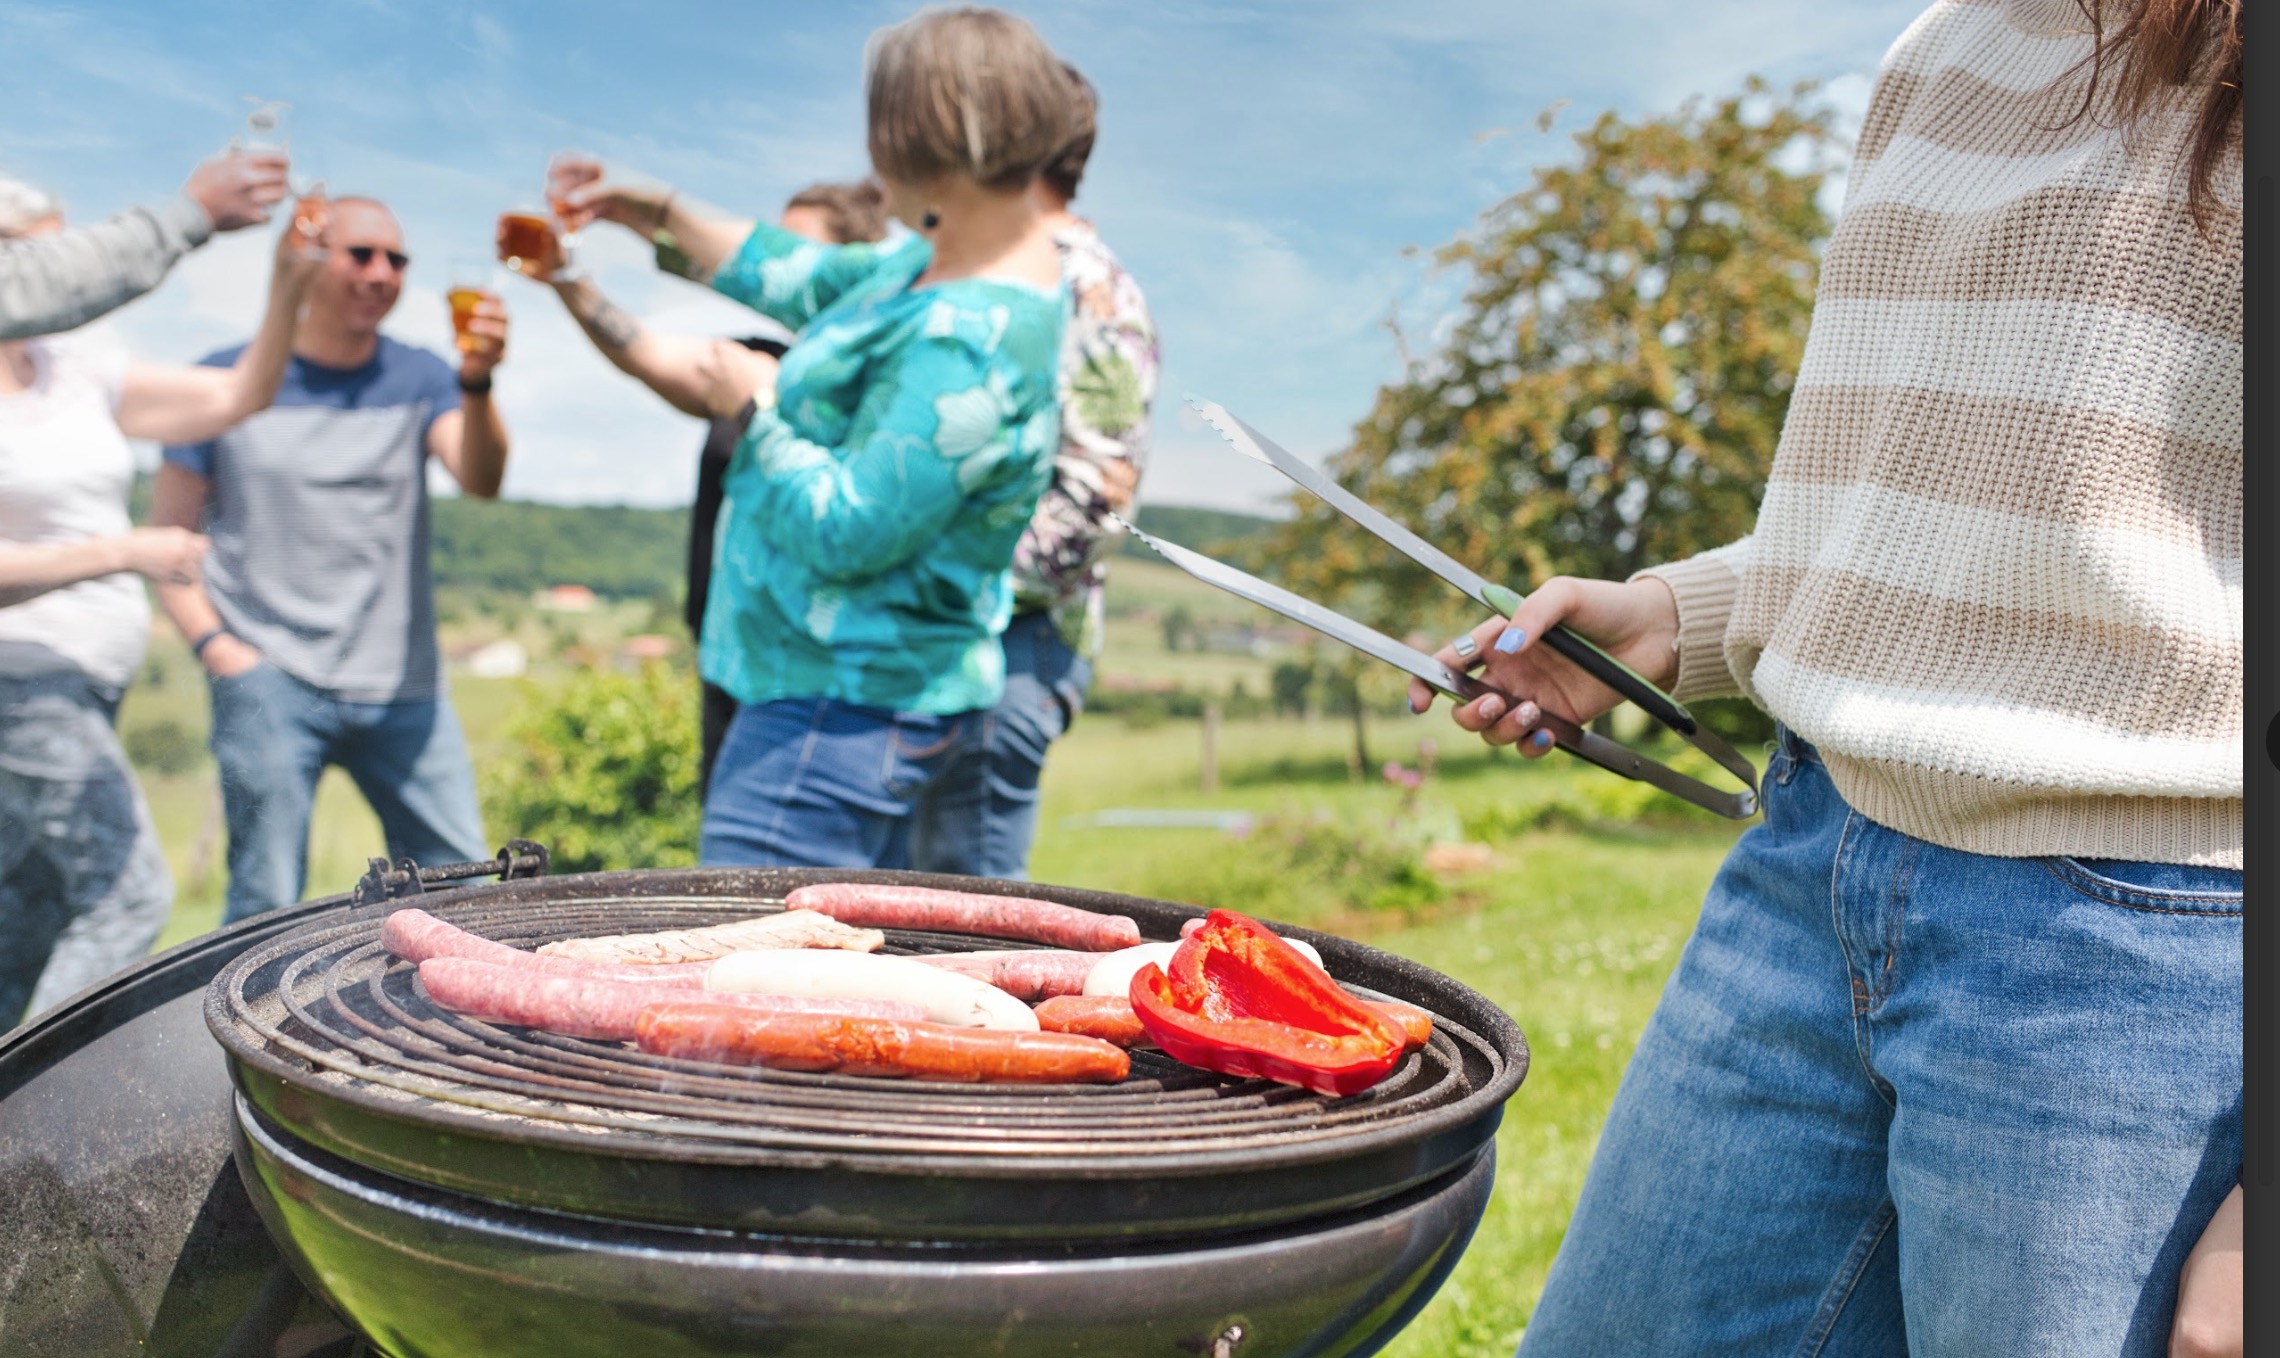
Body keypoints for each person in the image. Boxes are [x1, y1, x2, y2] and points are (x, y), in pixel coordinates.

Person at [1409, 2, 2243, 1354]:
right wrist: (1677, 620)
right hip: (1806, 879)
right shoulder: (1945, 44)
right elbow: (1902, 481)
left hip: (2148, 954)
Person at [551, 5, 1078, 868]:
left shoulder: (970, 337)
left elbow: (851, 529)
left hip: (836, 716)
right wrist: (656, 208)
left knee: (752, 980)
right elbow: (802, 272)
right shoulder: (936, 261)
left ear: (921, 148)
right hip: (828, 705)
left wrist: (755, 408)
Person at [0, 182, 315, 1024]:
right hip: (20, 680)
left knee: (25, 919)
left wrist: (286, 284)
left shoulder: (70, 367)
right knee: (129, 895)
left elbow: (237, 395)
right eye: (47, 252)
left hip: (83, 682)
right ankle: (38, 1123)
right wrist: (128, 553)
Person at [151, 196, 514, 924]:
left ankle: (450, 1037)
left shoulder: (422, 377)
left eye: (397, 259)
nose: (382, 273)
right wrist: (219, 650)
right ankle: (250, 1042)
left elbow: (482, 479)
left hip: (402, 686)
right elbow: (167, 540)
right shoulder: (222, 381)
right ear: (311, 261)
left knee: (466, 899)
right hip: (270, 681)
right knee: (264, 907)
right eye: (361, 254)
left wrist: (476, 381)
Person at [532, 180, 890, 796]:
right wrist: (566, 277)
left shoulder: (880, 394)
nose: (772, 272)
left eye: (795, 252)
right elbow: (646, 353)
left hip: (813, 682)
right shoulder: (751, 358)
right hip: (727, 664)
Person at [910, 61, 1159, 881]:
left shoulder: (1082, 282)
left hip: (1006, 653)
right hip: (949, 646)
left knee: (963, 921)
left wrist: (913, 588)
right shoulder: (979, 267)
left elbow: (1091, 506)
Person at [0, 150, 290, 342]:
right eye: (42, 252)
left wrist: (295, 279)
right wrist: (195, 212)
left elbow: (228, 399)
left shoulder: (61, 364)